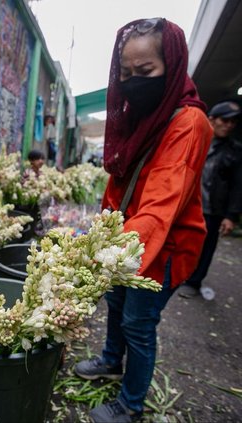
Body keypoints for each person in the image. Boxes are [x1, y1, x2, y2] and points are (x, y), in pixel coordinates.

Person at [74, 18, 213, 422]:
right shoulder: (140, 116)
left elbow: (160, 206)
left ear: (172, 65)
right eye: (126, 74)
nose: (134, 82)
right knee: (116, 303)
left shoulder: (188, 123)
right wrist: (98, 236)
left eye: (146, 72)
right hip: (128, 237)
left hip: (162, 245)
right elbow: (120, 185)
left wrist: (101, 256)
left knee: (138, 322)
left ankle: (131, 405)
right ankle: (109, 361)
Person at [178, 101, 242, 300]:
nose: (229, 125)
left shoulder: (235, 150)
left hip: (213, 209)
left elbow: (238, 186)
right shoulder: (194, 140)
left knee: (206, 247)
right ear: (211, 119)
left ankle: (194, 281)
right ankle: (179, 274)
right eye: (225, 120)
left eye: (233, 122)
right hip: (188, 205)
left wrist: (231, 216)